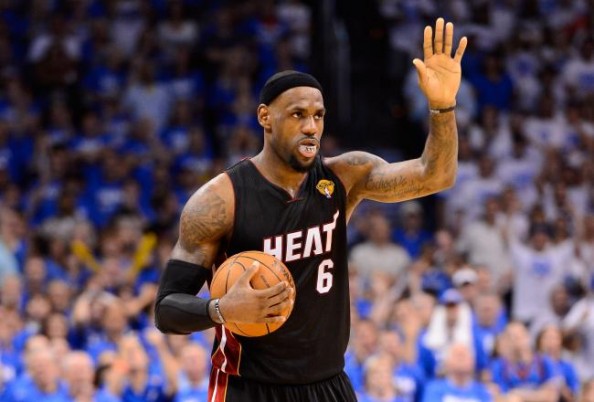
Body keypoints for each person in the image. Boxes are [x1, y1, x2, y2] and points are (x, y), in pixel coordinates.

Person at [154, 17, 467, 402]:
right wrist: (220, 310)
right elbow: (166, 310)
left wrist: (442, 107)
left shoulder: (345, 176)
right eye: (297, 114)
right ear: (265, 117)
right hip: (250, 388)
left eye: (318, 115)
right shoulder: (220, 200)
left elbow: (436, 176)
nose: (311, 127)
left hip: (328, 383)